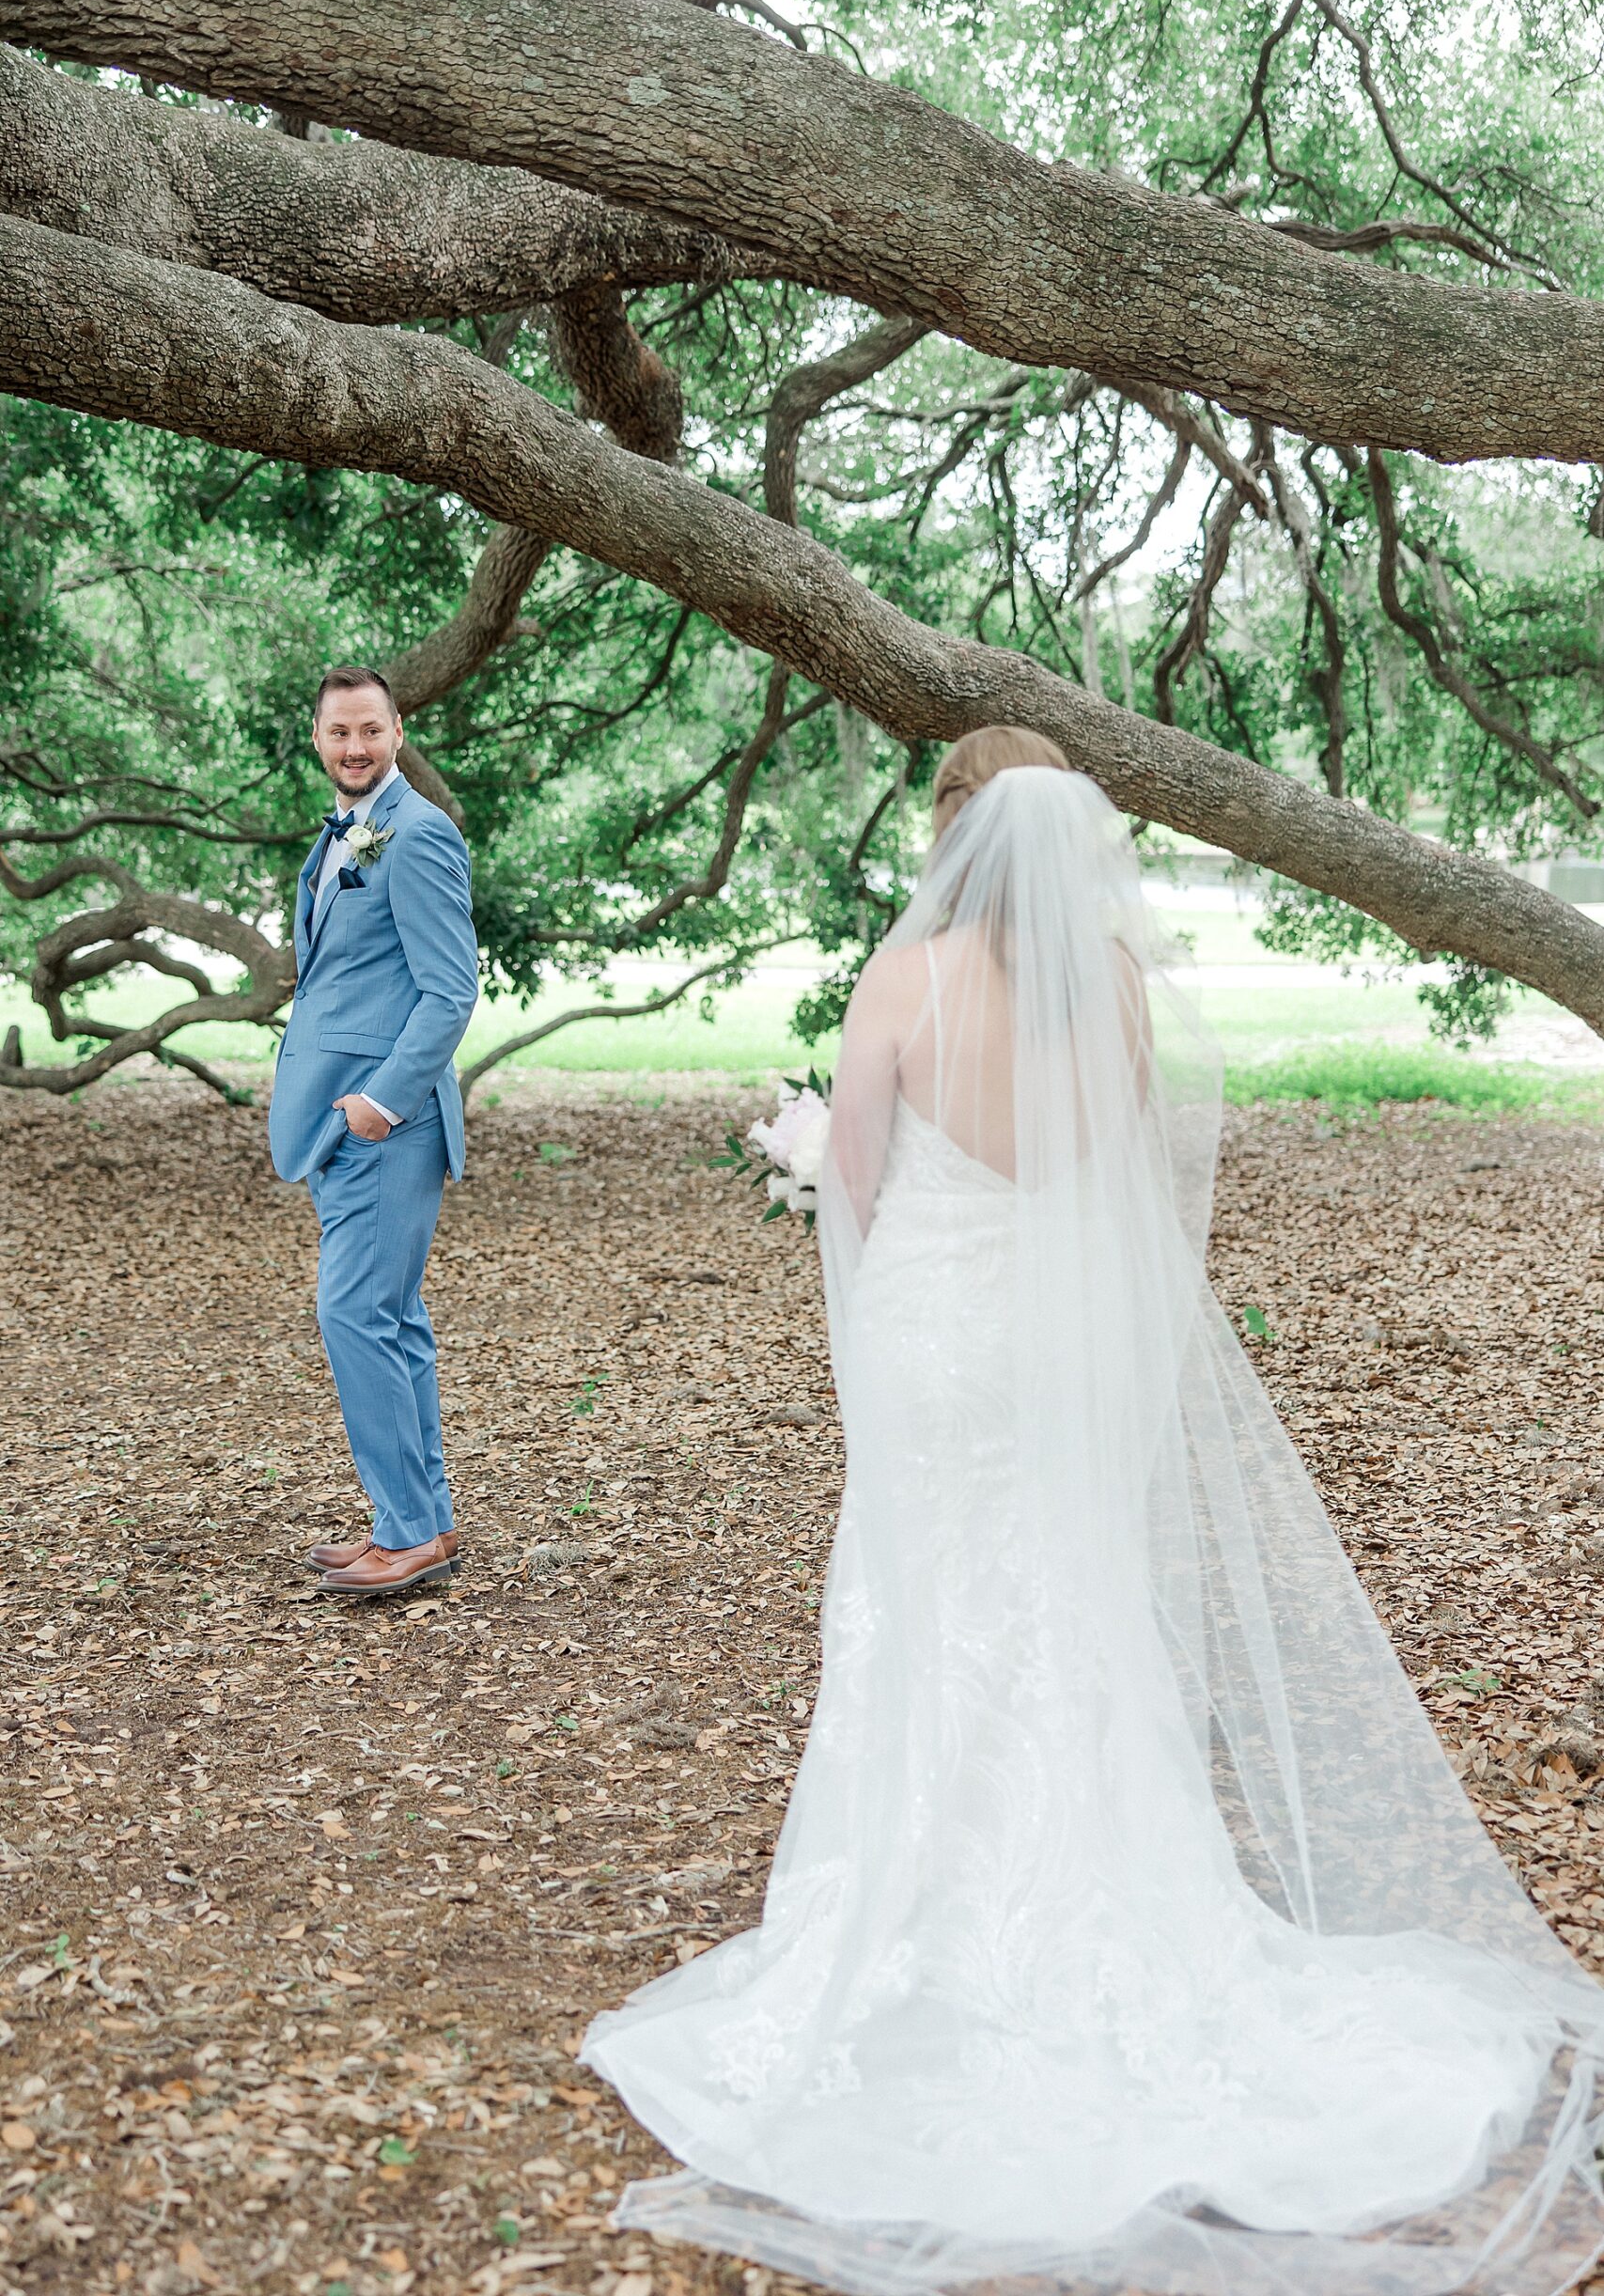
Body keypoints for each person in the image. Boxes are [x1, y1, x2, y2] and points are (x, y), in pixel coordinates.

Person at [583, 726, 1604, 2296]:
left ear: (950, 838)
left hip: (935, 1347)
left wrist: (795, 1147)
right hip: (1056, 1352)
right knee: (1064, 1602)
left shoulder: (903, 982)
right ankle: (1107, 1916)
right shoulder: (1116, 991)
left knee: (927, 1606)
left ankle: (918, 1929)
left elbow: (853, 1179)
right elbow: (1113, 1183)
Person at [268, 665, 478, 1597]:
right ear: (317, 738)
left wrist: (376, 1105)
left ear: (398, 734)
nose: (354, 747)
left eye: (371, 731)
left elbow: (449, 991)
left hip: (387, 1128)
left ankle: (407, 1532)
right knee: (391, 1320)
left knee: (353, 1313)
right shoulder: (347, 834)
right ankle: (422, 1521)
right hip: (339, 1124)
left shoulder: (420, 834)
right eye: (337, 732)